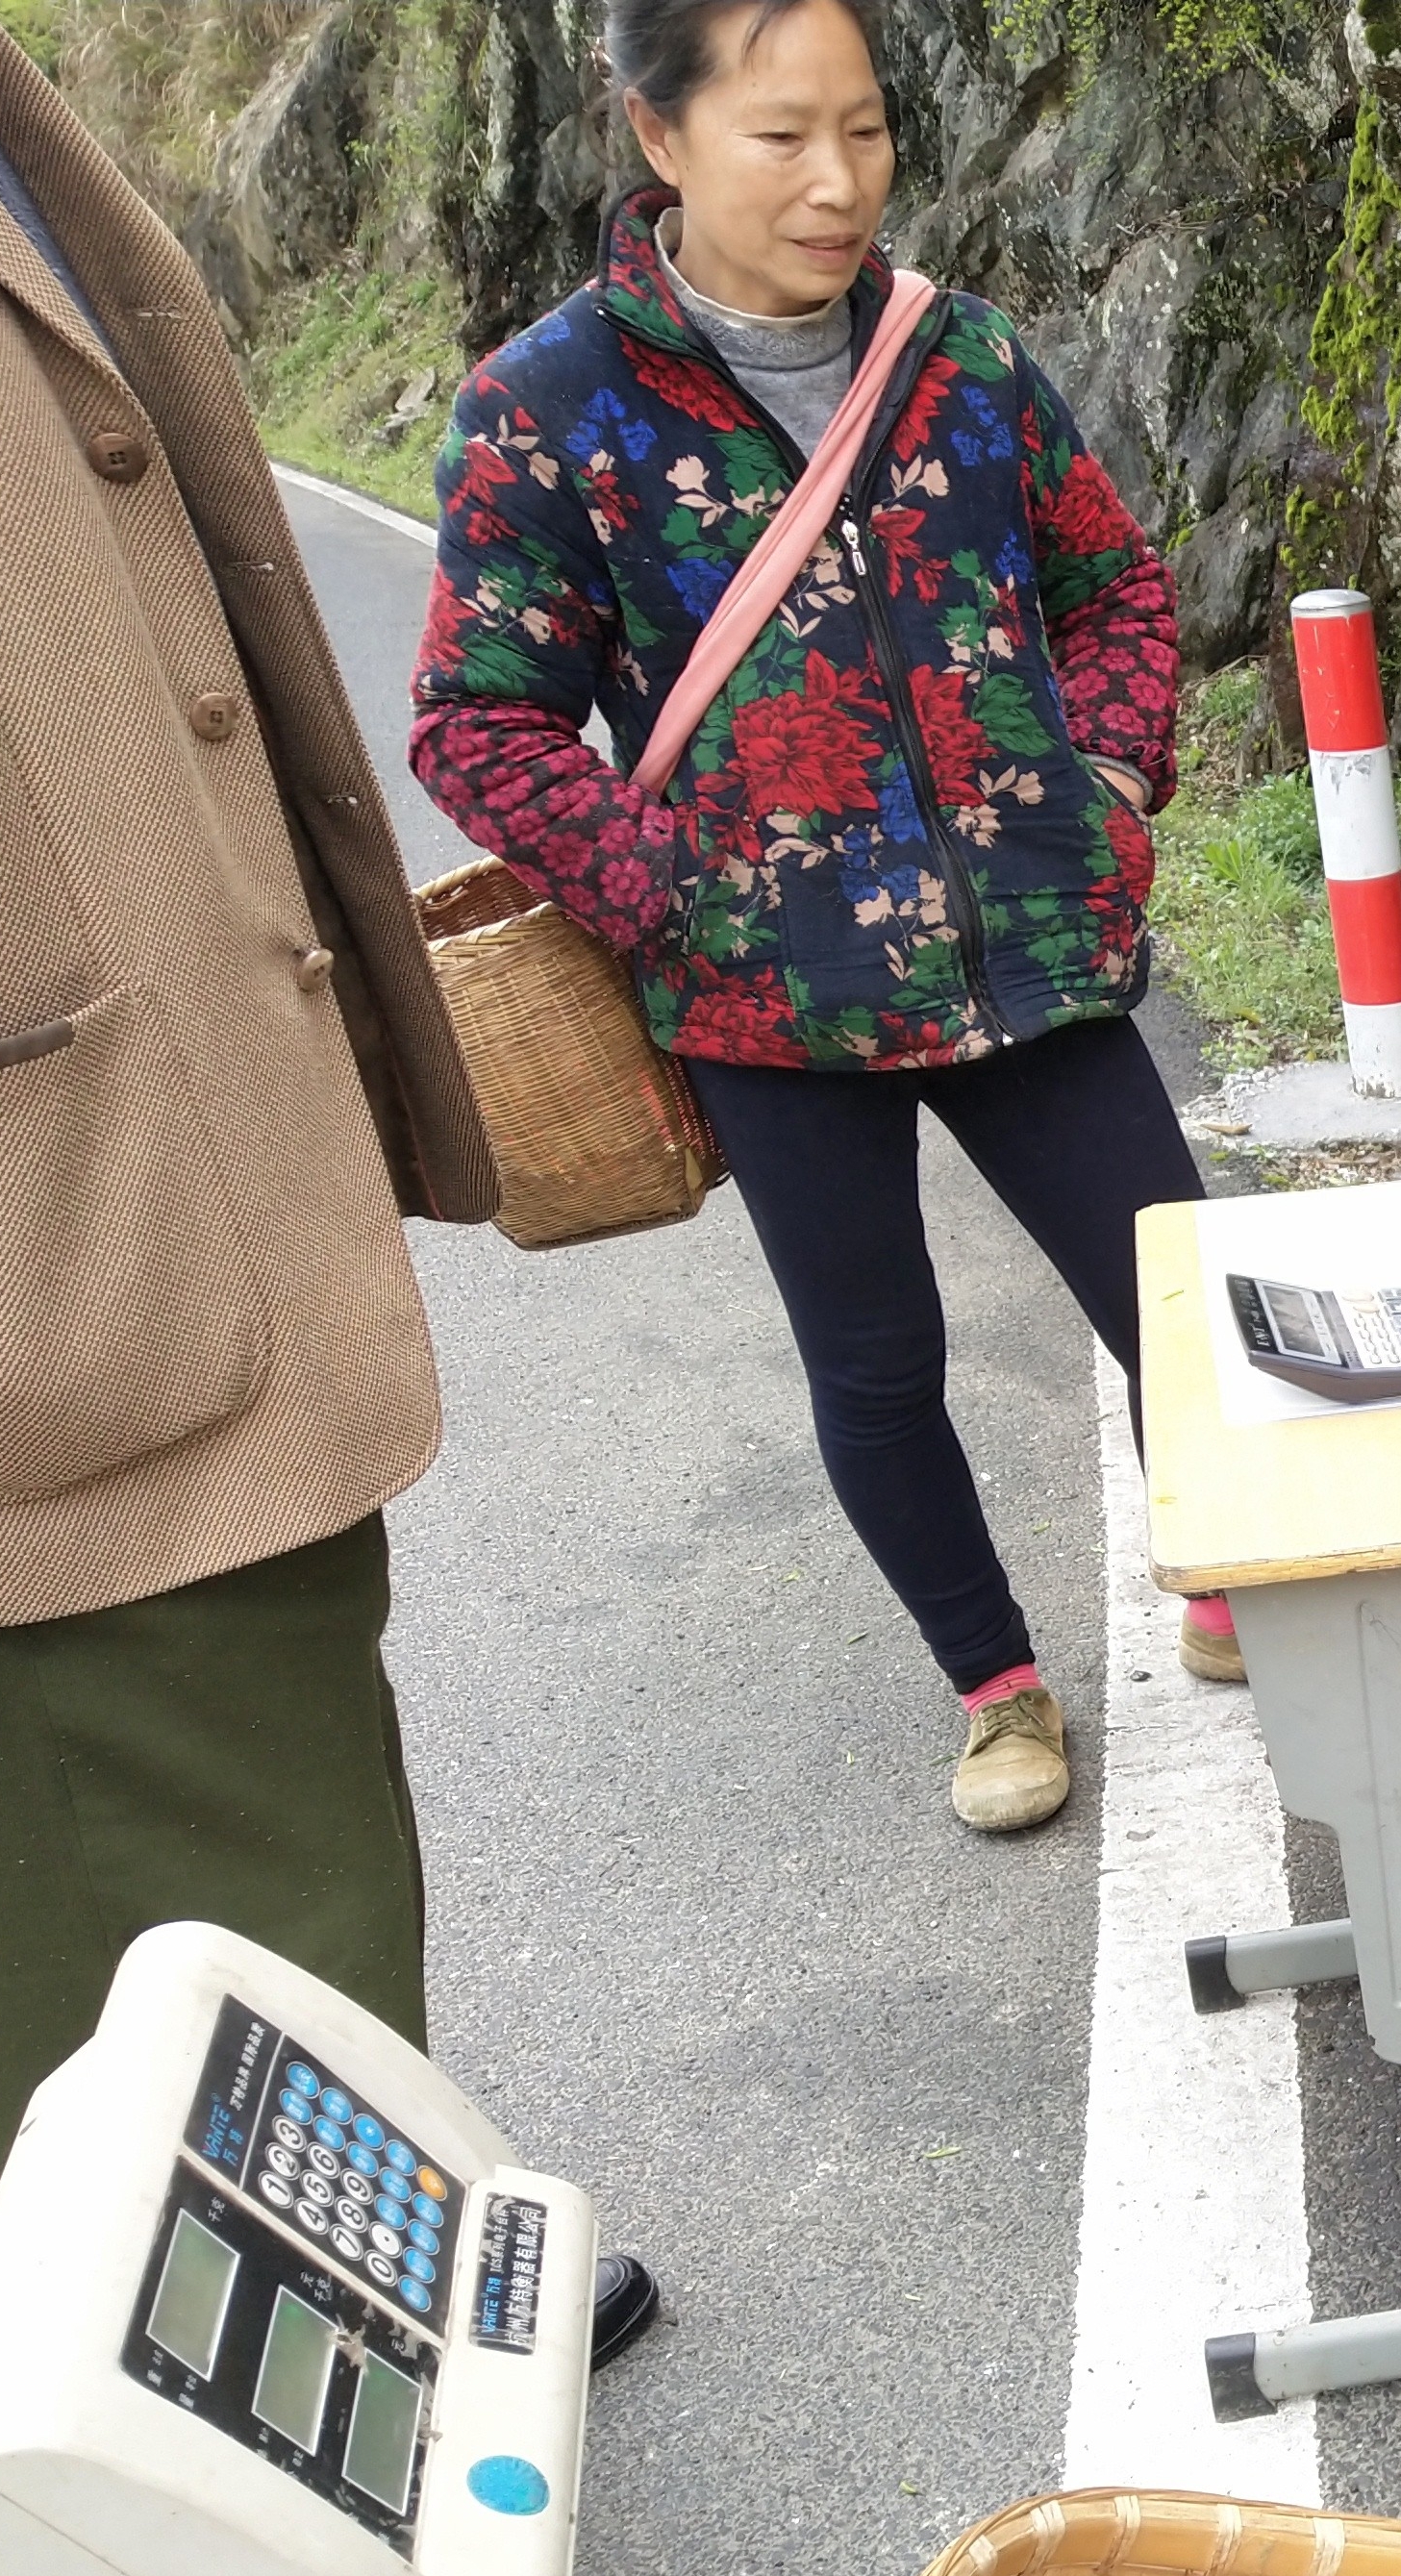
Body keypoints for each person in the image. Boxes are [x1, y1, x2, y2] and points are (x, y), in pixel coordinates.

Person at [0, 0, 750, 2576]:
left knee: (275, 1781)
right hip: (1, 1244)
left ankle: (402, 2332)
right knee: (133, 1909)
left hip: (137, 1161)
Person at [413, 0, 1225, 1838]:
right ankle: (996, 1685)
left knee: (1185, 1300)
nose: (840, 182)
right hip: (773, 999)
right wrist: (672, 895)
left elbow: (1113, 588)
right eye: (783, 136)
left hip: (1033, 950)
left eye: (864, 129)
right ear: (660, 136)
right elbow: (475, 715)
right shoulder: (547, 407)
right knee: (875, 1360)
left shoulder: (967, 358)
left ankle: (1241, 1572)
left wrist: (1097, 789)